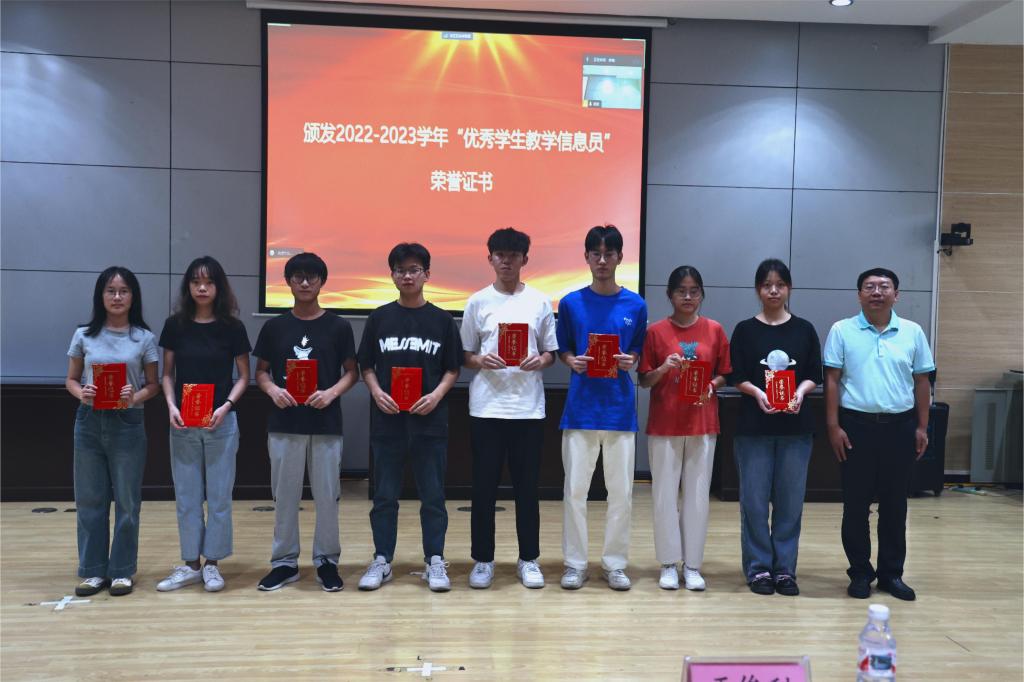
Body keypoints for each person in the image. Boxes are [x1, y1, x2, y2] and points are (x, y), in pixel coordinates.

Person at [356, 243, 462, 592]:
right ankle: (382, 559)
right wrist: (376, 392)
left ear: (426, 274)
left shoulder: (442, 320)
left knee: (433, 496)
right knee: (384, 496)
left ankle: (435, 560)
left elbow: (452, 368)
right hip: (388, 421)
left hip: (429, 421)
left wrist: (436, 395)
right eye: (400, 270)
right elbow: (366, 365)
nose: (407, 276)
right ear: (392, 275)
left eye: (414, 269)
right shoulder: (379, 318)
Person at [824, 267, 934, 602]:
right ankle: (860, 573)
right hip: (855, 427)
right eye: (869, 287)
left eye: (884, 287)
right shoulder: (842, 330)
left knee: (895, 505)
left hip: (900, 428)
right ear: (859, 294)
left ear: (896, 295)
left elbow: (922, 381)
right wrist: (833, 426)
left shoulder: (912, 332)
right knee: (855, 506)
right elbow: (831, 380)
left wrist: (922, 426)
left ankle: (891, 574)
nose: (876, 292)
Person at [252, 252, 358, 592]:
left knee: (328, 496)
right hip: (285, 422)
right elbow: (261, 372)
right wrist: (273, 390)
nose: (305, 282)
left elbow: (351, 372)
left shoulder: (339, 326)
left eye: (312, 276)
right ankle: (284, 562)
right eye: (298, 276)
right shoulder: (274, 327)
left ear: (322, 282)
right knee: (284, 497)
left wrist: (331, 393)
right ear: (288, 282)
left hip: (326, 423)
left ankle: (327, 560)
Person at [461, 227, 558, 589]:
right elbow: (466, 355)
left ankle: (528, 559)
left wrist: (540, 361)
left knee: (527, 488)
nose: (506, 261)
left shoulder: (539, 302)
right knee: (483, 488)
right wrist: (480, 360)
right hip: (486, 408)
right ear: (490, 259)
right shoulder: (477, 302)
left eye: (513, 255)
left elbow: (550, 352)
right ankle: (483, 560)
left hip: (527, 409)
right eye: (500, 255)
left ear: (524, 260)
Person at [556, 225, 647, 591]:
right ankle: (575, 563)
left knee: (621, 493)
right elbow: (562, 348)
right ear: (587, 257)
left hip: (619, 411)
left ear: (621, 257)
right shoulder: (570, 303)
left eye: (610, 254)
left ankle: (615, 563)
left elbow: (637, 350)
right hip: (580, 410)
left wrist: (631, 360)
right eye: (596, 254)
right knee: (575, 492)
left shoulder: (635, 305)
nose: (603, 260)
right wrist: (570, 360)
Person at [156, 256, 251, 592]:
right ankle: (190, 564)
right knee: (187, 497)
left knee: (219, 497)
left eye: (209, 282)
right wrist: (171, 405)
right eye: (196, 282)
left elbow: (244, 376)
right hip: (183, 422)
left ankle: (212, 563)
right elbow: (167, 374)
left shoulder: (233, 327)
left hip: (220, 422)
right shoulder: (175, 325)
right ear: (188, 287)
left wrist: (226, 406)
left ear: (218, 287)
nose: (202, 288)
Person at [65, 266, 160, 597]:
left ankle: (121, 570)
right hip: (89, 421)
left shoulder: (143, 338)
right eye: (110, 290)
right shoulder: (83, 335)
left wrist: (135, 396)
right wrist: (83, 393)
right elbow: (71, 380)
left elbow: (153, 385)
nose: (117, 297)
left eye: (123, 291)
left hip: (128, 423)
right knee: (90, 499)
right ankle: (93, 570)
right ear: (101, 296)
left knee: (127, 500)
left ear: (133, 296)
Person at [729, 259, 821, 597]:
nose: (773, 290)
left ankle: (784, 570)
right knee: (753, 503)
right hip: (754, 428)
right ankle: (758, 569)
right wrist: (757, 393)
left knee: (790, 503)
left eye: (780, 284)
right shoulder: (744, 330)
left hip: (796, 429)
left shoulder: (804, 329)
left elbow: (813, 373)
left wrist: (799, 393)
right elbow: (737, 375)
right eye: (767, 285)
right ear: (758, 289)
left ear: (789, 288)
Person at [638, 265, 730, 591]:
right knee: (664, 495)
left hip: (702, 424)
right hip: (665, 424)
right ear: (670, 295)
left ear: (702, 294)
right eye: (681, 291)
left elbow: (725, 372)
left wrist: (712, 386)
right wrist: (664, 368)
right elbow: (644, 380)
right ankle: (667, 563)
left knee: (697, 496)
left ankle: (692, 565)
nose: (688, 297)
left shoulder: (715, 330)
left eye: (694, 291)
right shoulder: (655, 332)